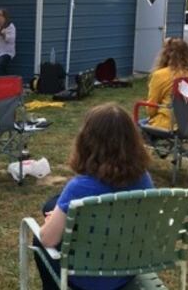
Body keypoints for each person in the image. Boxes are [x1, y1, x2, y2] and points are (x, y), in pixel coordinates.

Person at [34, 103, 153, 290]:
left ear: (87, 140)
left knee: (39, 239)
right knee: (52, 204)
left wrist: (54, 227)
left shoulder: (80, 188)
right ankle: (60, 219)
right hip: (125, 271)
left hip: (87, 278)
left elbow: (47, 240)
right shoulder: (144, 179)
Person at [143, 38, 188, 130]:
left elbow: (151, 110)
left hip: (169, 124)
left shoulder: (160, 75)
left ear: (165, 54)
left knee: (138, 127)